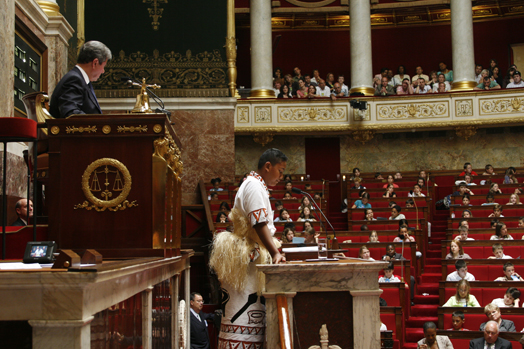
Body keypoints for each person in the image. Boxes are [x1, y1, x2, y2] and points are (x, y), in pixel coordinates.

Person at [209, 149, 287, 349]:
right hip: (248, 257)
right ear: (268, 166)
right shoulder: (253, 185)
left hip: (251, 255)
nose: (282, 176)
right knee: (242, 313)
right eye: (280, 170)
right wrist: (275, 252)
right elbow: (259, 223)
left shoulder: (255, 184)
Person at [50, 41, 111, 118]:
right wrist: (98, 123)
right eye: (103, 66)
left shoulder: (79, 80)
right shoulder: (74, 80)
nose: (103, 71)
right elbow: (71, 114)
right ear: (95, 63)